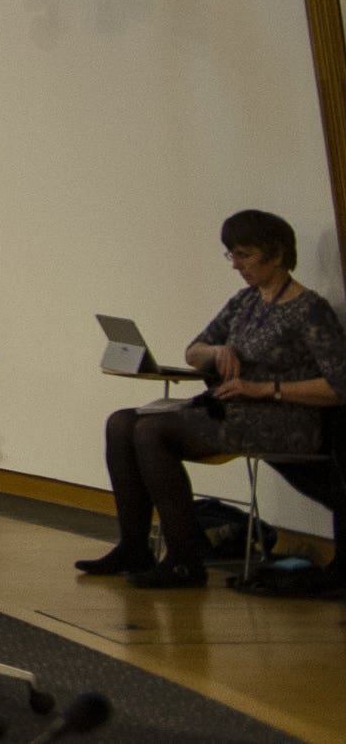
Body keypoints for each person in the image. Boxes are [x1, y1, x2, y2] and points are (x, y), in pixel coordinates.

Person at [81, 208, 346, 589]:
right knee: (121, 422)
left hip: (284, 418)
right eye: (232, 255)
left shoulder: (310, 309)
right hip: (238, 410)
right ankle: (133, 546)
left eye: (245, 255)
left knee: (153, 432)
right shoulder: (246, 301)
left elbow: (338, 387)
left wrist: (263, 389)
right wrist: (216, 352)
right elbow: (194, 350)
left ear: (276, 254)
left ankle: (185, 559)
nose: (237, 265)